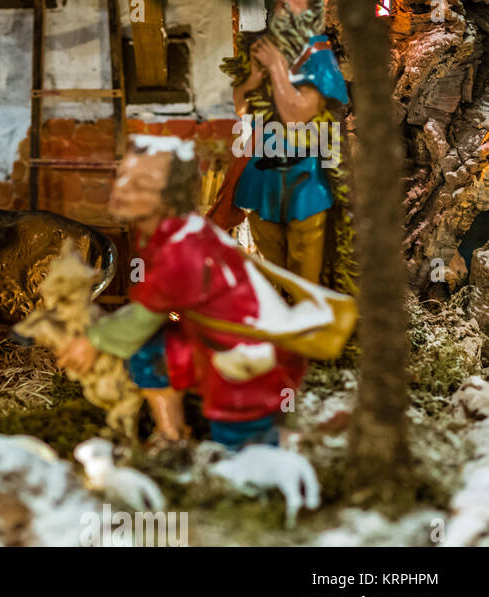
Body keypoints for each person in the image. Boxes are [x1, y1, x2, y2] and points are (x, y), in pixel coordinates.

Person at [59, 135, 354, 450]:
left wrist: (90, 341)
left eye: (142, 183)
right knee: (150, 350)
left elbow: (142, 320)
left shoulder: (182, 247)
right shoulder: (172, 231)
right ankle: (171, 436)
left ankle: (278, 451)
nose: (124, 189)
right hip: (209, 338)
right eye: (124, 176)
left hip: (250, 355)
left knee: (245, 451)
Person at [213, 0, 348, 286]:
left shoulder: (319, 56)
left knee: (304, 263)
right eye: (281, 7)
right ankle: (284, 310)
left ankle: (307, 317)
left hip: (305, 177)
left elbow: (298, 114)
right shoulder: (270, 51)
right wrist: (251, 80)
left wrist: (275, 67)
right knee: (273, 258)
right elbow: (242, 108)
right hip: (263, 176)